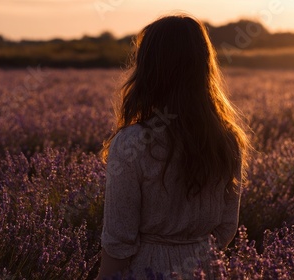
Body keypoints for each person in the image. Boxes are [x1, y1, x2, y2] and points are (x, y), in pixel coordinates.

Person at [96, 13, 251, 279]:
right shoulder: (228, 139)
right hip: (207, 268)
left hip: (148, 268)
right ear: (204, 67)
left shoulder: (132, 143)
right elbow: (227, 226)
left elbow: (119, 242)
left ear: (148, 70)